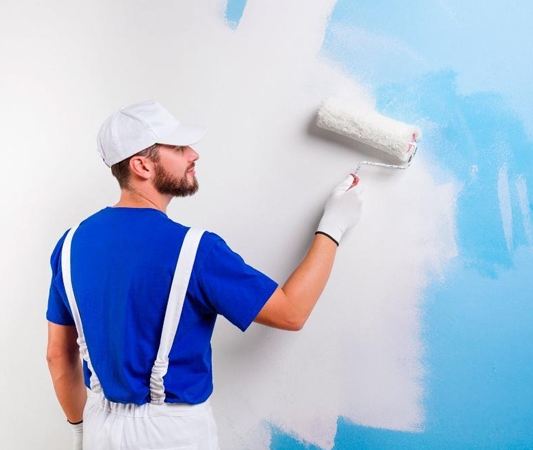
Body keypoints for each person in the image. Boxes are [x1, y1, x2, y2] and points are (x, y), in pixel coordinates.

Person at [45, 100, 363, 450]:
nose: (193, 154)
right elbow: (291, 313)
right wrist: (332, 227)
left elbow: (58, 356)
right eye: (178, 148)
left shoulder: (70, 245)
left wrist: (80, 431)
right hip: (172, 436)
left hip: (99, 428)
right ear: (142, 166)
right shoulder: (196, 250)